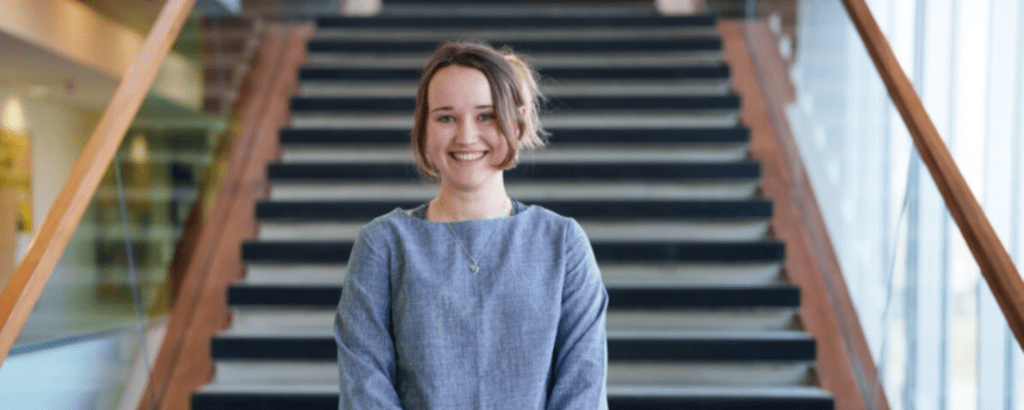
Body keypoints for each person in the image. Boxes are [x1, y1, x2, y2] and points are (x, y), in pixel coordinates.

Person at [333, 40, 609, 410]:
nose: (466, 136)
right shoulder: (383, 245)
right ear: (423, 128)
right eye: (446, 117)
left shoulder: (562, 243)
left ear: (517, 120)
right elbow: (365, 389)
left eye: (486, 116)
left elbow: (583, 391)